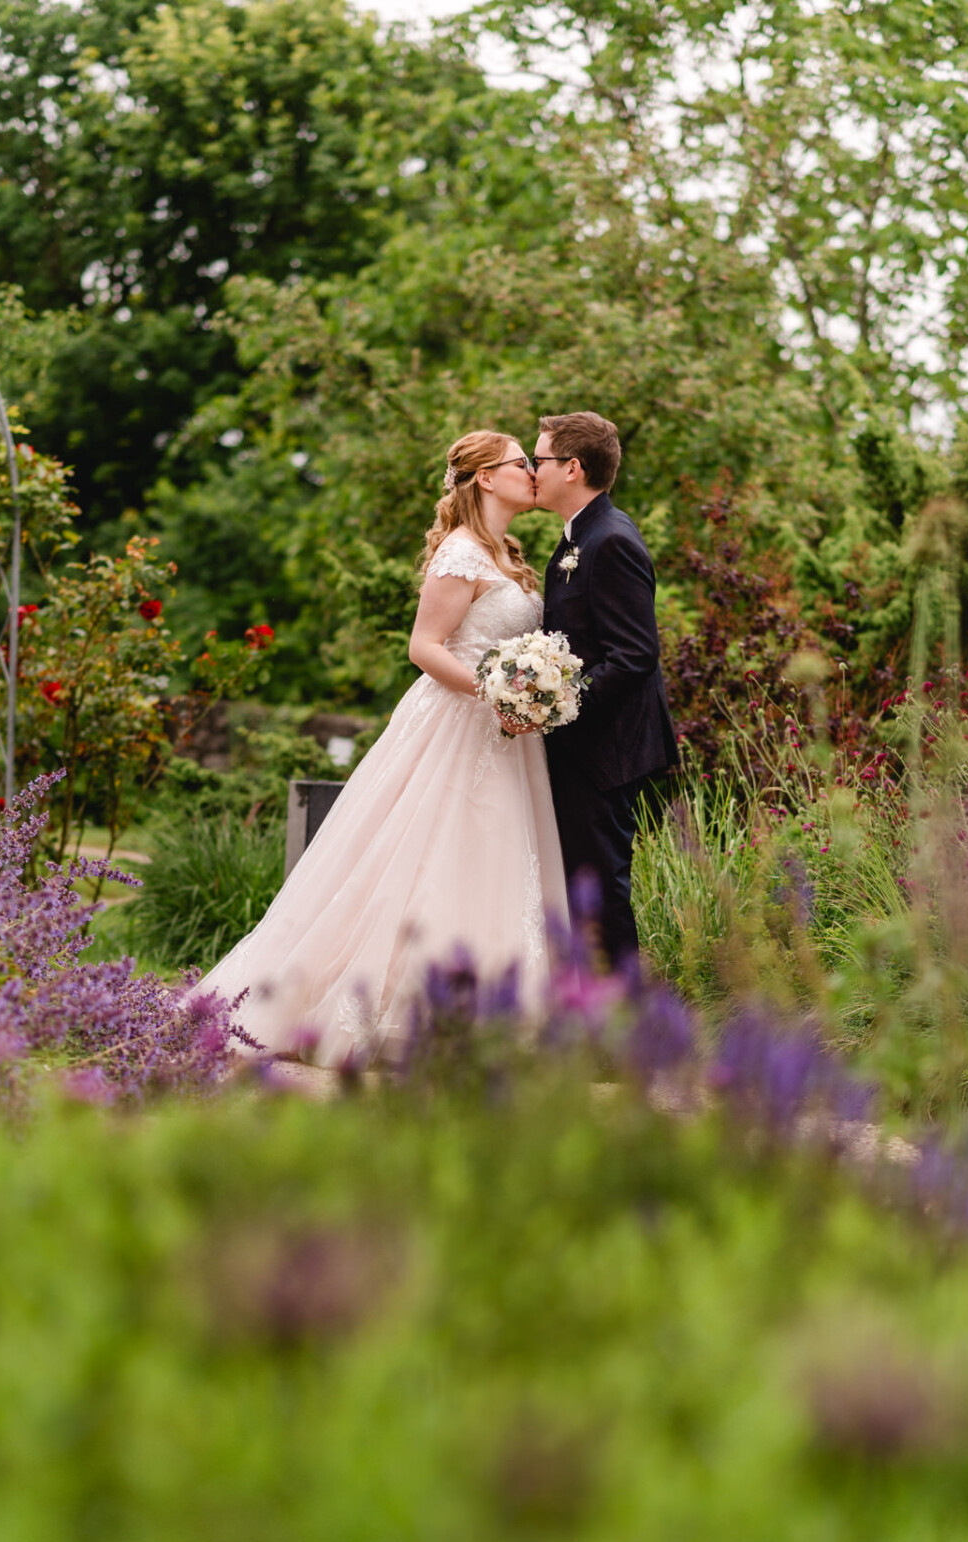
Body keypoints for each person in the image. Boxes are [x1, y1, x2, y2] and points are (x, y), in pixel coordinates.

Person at [190, 431, 568, 1064]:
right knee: (425, 856)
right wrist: (493, 692)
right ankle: (384, 1008)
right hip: (456, 721)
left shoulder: (509, 551)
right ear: (484, 477)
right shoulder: (461, 552)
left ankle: (483, 1011)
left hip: (507, 734)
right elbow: (424, 647)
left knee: (493, 856)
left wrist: (527, 694)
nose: (532, 472)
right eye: (520, 463)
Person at [532, 411, 679, 967]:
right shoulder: (578, 537)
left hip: (604, 749)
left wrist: (558, 706)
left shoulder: (610, 540)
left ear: (572, 468)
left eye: (539, 460)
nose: (531, 470)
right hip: (581, 746)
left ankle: (626, 1023)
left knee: (600, 887)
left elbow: (636, 653)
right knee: (580, 885)